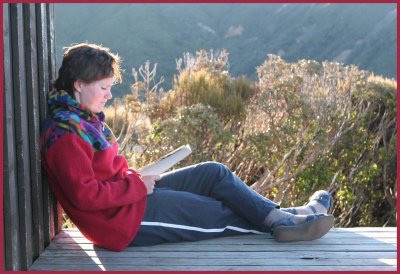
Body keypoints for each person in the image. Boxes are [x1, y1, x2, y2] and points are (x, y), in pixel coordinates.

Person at [40, 43, 334, 252]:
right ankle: (291, 220)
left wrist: (137, 181)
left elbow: (106, 175)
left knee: (213, 173)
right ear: (79, 84)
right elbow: (86, 196)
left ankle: (283, 217)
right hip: (121, 224)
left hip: (129, 198)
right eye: (104, 88)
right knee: (215, 212)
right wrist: (137, 187)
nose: (109, 95)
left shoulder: (82, 120)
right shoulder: (66, 136)